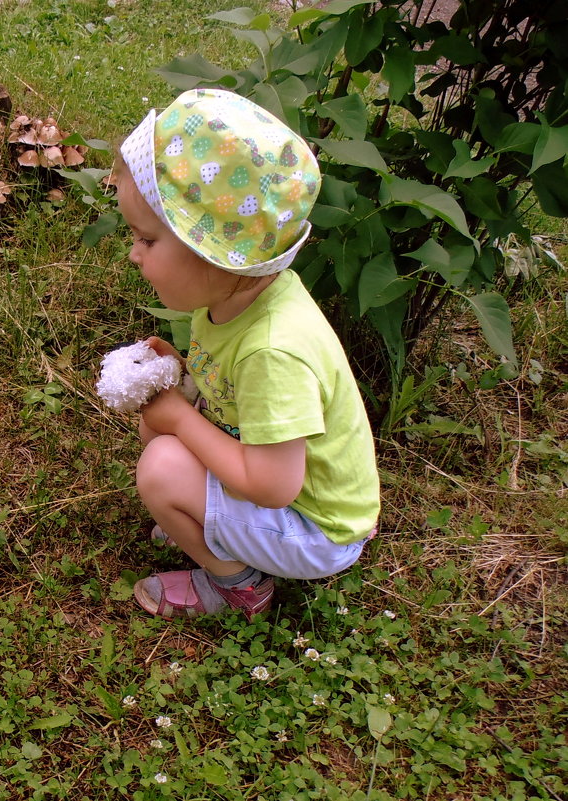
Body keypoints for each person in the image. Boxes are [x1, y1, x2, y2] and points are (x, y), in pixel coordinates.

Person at [114, 88, 380, 620]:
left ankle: (240, 584)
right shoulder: (231, 296)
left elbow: (274, 485)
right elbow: (235, 394)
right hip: (283, 493)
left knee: (162, 465)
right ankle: (213, 521)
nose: (133, 253)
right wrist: (185, 377)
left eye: (146, 239)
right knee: (158, 433)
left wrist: (182, 421)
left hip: (316, 529)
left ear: (211, 256)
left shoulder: (274, 349)